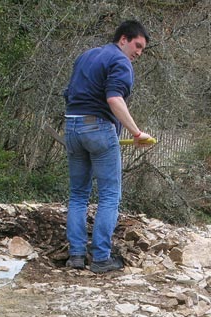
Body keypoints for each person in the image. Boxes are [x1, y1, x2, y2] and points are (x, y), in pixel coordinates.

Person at [63, 20, 154, 274]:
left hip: (71, 126)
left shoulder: (86, 56)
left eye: (142, 50)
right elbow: (114, 98)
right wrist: (136, 132)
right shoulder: (120, 61)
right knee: (109, 196)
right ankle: (101, 258)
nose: (138, 53)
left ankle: (77, 256)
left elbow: (70, 93)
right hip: (99, 129)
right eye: (137, 46)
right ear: (123, 39)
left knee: (78, 194)